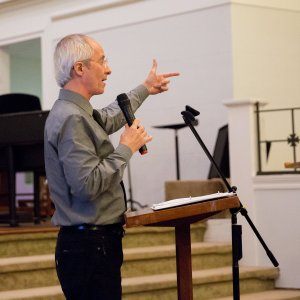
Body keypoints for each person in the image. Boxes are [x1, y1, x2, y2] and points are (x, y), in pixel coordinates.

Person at [44, 34, 179, 300]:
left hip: (94, 244)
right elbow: (87, 185)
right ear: (80, 68)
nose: (108, 69)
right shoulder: (71, 118)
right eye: (102, 61)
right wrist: (126, 147)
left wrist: (145, 88)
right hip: (89, 246)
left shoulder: (77, 111)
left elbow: (108, 117)